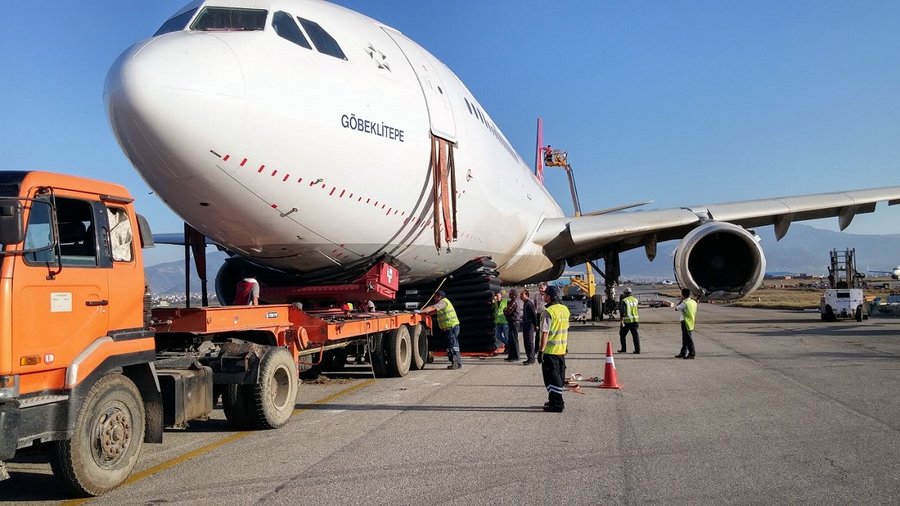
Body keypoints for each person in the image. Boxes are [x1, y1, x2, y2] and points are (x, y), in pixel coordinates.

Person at [538, 285, 569, 412]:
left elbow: (545, 333)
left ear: (549, 297)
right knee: (559, 376)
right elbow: (566, 329)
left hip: (551, 351)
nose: (543, 296)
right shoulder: (565, 309)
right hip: (561, 349)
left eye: (545, 294)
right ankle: (552, 400)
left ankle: (557, 403)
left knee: (551, 377)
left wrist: (541, 351)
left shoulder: (548, 312)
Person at [421, 290, 462, 369]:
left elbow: (432, 307)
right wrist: (426, 314)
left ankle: (456, 363)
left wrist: (420, 311)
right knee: (453, 345)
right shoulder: (443, 303)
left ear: (439, 296)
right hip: (451, 327)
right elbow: (435, 311)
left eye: (435, 296)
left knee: (452, 346)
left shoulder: (443, 302)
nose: (434, 298)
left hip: (451, 327)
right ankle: (457, 363)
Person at [673, 288, 698, 359]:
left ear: (683, 294)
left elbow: (676, 308)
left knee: (688, 339)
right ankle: (683, 352)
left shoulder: (684, 303)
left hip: (685, 322)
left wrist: (681, 300)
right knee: (685, 338)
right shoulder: (693, 302)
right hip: (691, 321)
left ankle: (691, 353)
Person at [618, 287, 640, 354]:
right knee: (635, 336)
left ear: (625, 293)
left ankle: (623, 349)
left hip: (627, 322)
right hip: (635, 320)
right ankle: (637, 350)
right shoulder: (635, 300)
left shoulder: (624, 300)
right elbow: (637, 309)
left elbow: (622, 312)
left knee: (622, 335)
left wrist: (621, 321)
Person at [503, 288, 524, 361]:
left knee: (514, 339)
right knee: (510, 339)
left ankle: (516, 356)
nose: (509, 294)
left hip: (514, 322)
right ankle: (511, 356)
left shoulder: (514, 302)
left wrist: (504, 310)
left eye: (510, 293)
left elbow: (507, 312)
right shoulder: (512, 301)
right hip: (512, 321)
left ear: (514, 295)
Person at [521, 289, 539, 365]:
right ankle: (528, 357)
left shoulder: (529, 303)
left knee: (529, 341)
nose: (521, 297)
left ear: (527, 295)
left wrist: (536, 325)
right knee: (526, 341)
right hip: (525, 324)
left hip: (530, 324)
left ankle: (531, 358)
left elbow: (533, 315)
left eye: (522, 295)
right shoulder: (525, 303)